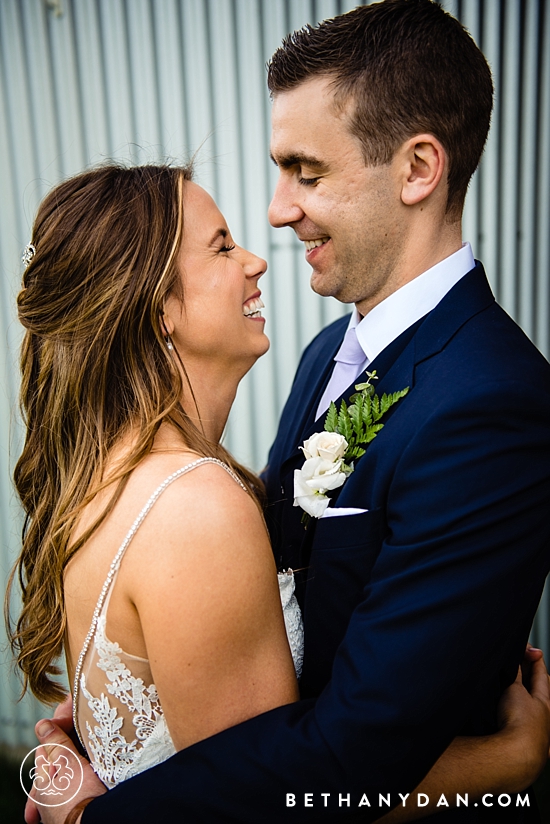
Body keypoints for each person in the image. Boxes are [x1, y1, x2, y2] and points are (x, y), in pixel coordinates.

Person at [19, 1, 550, 822]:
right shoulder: (322, 360)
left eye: (307, 171)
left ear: (417, 169)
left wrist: (91, 815)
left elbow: (360, 743)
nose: (276, 210)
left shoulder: (493, 404)